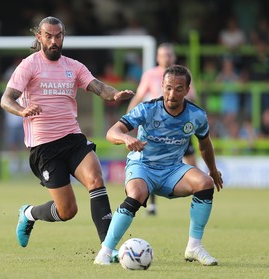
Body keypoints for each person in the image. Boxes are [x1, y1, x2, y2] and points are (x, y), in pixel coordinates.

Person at [0, 17, 134, 252]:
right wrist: (22, 110)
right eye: (48, 36)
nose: (54, 41)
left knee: (96, 180)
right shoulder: (29, 65)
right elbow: (6, 99)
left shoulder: (74, 66)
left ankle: (108, 248)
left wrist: (114, 95)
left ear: (63, 37)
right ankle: (29, 213)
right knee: (67, 211)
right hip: (44, 147)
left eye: (58, 36)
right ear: (39, 37)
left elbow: (99, 87)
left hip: (72, 138)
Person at [94, 65, 223, 266]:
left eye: (179, 89)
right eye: (168, 87)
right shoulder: (147, 109)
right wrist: (125, 139)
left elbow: (205, 143)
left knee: (204, 183)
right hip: (142, 166)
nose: (172, 94)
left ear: (187, 90)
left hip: (172, 169)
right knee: (136, 194)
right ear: (162, 86)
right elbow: (112, 132)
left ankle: (194, 247)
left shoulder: (196, 115)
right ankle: (105, 251)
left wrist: (213, 170)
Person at [126, 42, 198, 215]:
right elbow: (140, 96)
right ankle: (151, 204)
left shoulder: (183, 75)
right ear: (157, 57)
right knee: (151, 162)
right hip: (155, 128)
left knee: (191, 160)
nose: (166, 58)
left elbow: (193, 97)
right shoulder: (150, 75)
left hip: (178, 127)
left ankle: (198, 194)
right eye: (163, 55)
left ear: (174, 57)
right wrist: (129, 118)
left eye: (169, 54)